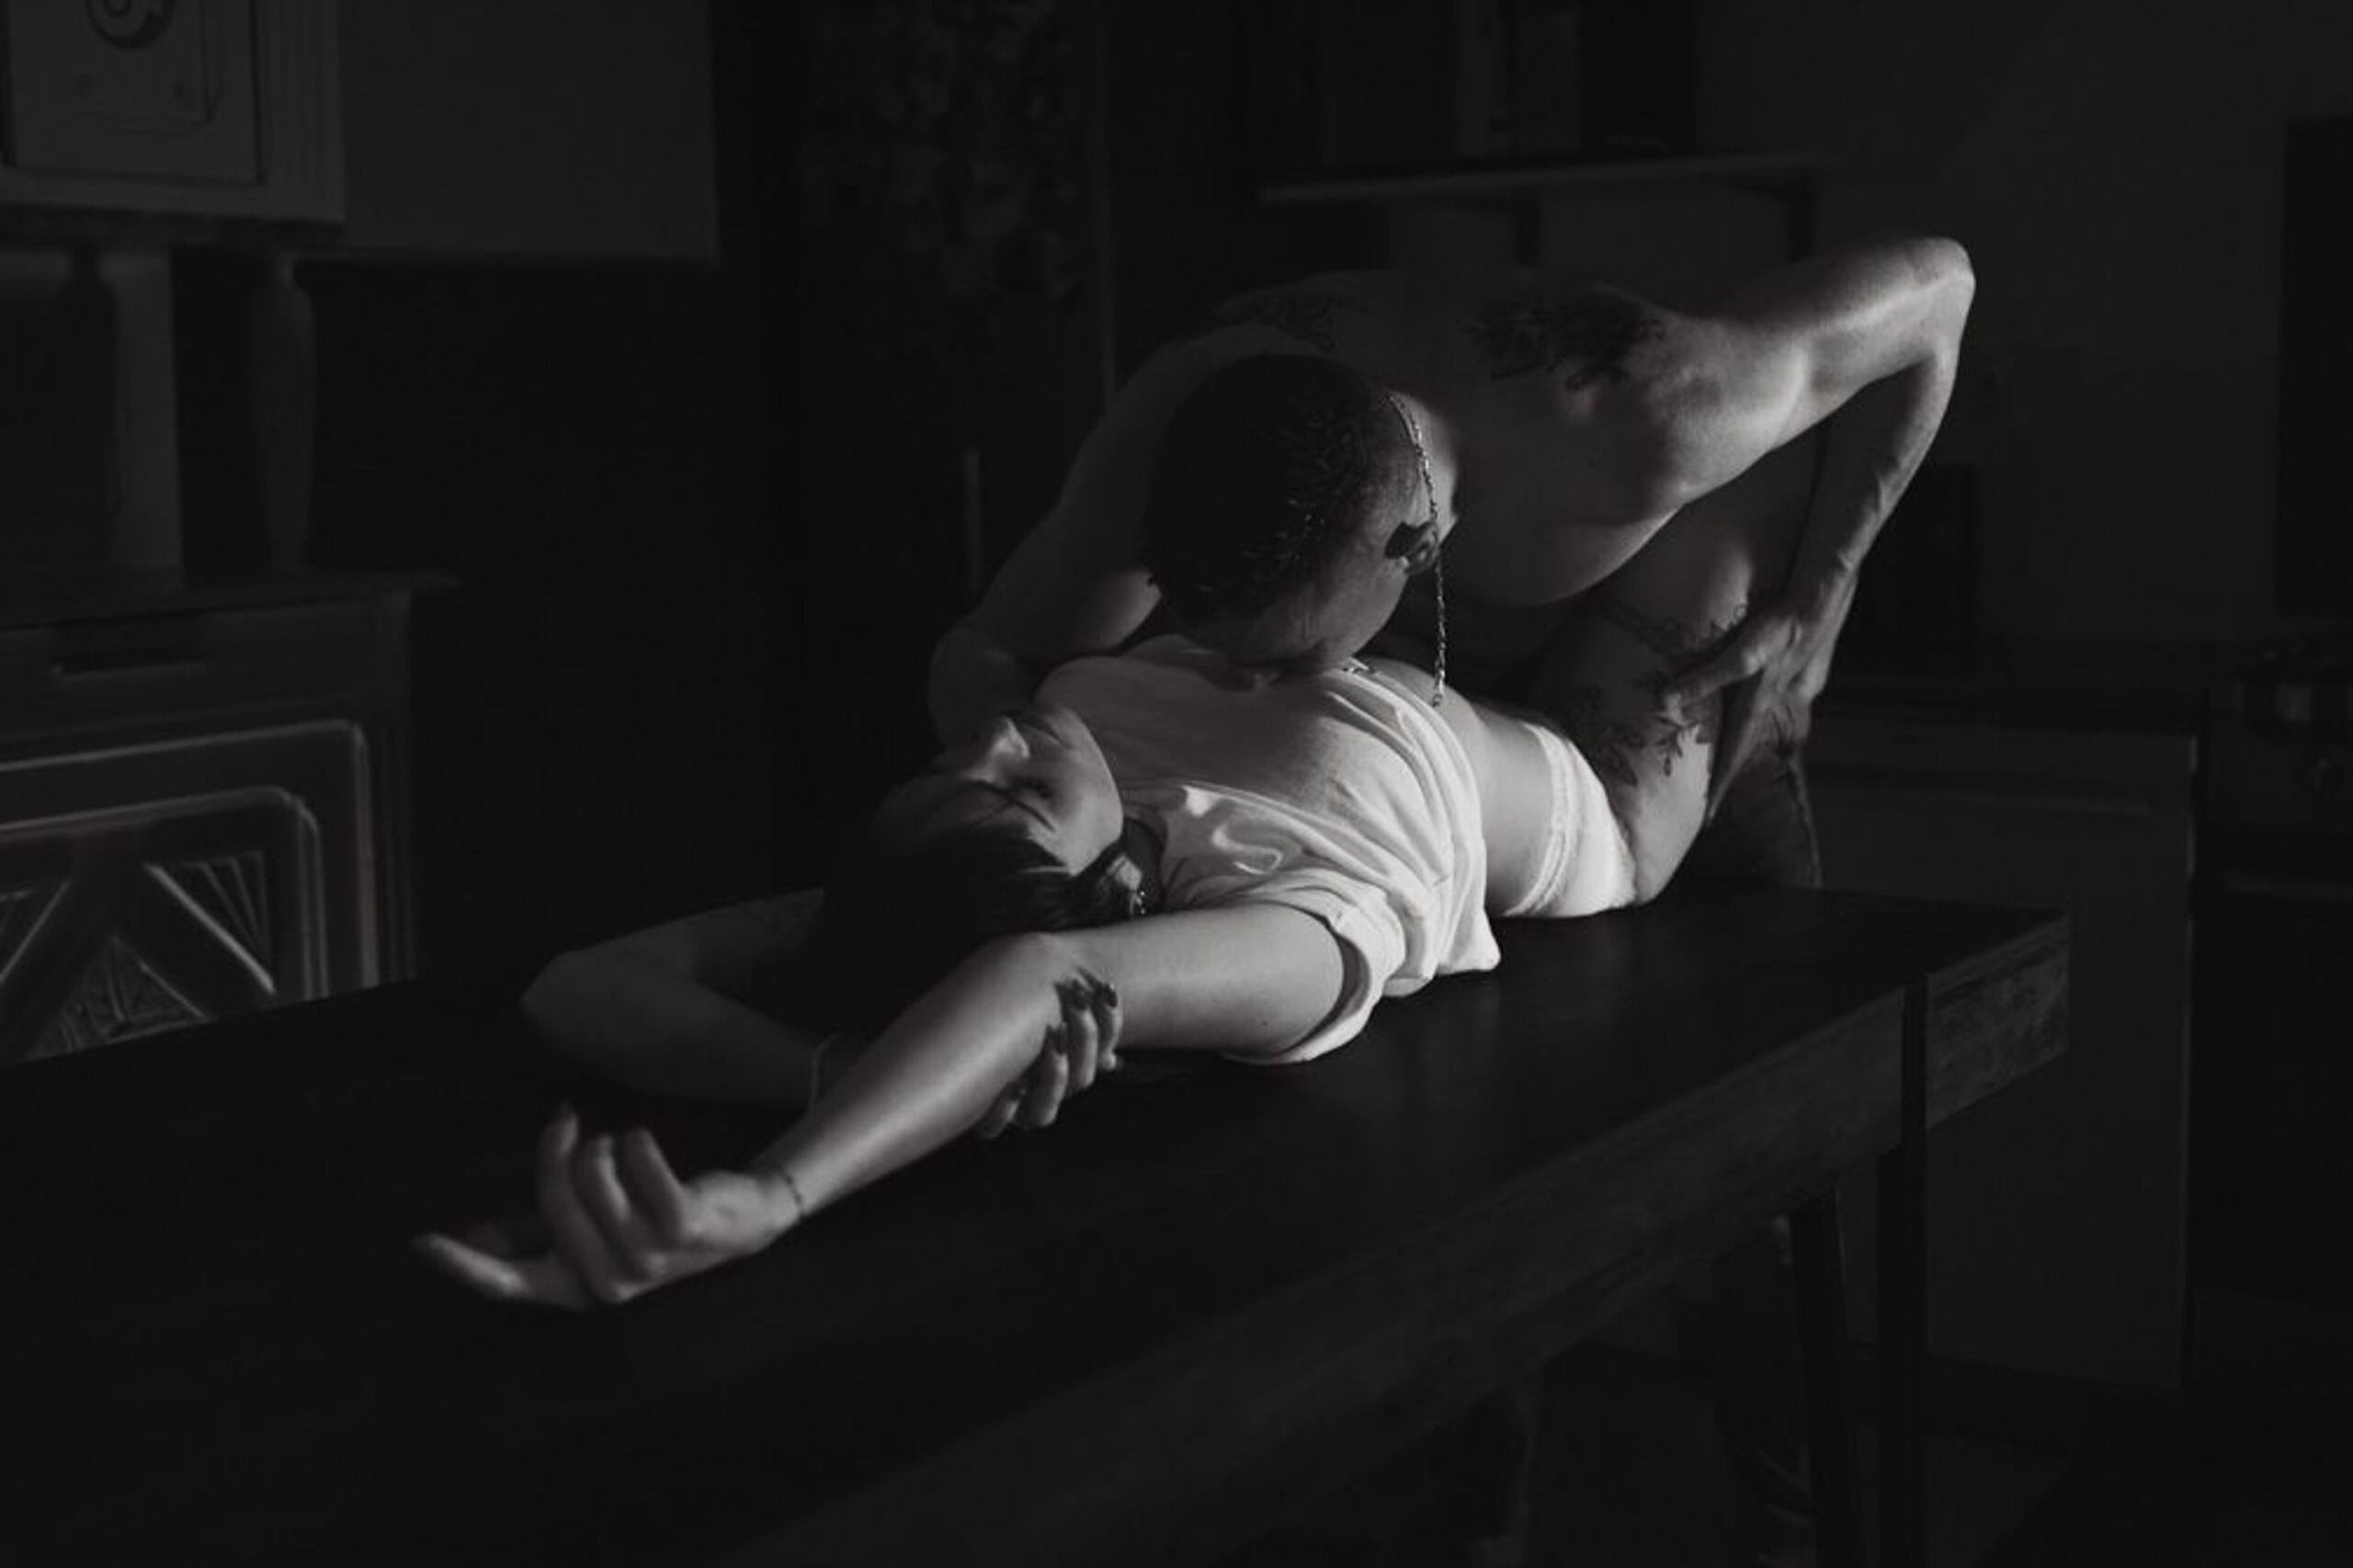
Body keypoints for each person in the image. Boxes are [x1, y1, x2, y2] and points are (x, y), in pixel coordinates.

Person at [415, 381, 1816, 1314]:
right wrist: (774, 1189)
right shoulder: (1280, 910)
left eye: (950, 769)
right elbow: (1034, 972)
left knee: (1615, 416)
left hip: (1416, 630)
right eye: (1013, 791)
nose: (999, 739)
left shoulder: (1012, 793)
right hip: (1600, 783)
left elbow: (580, 983)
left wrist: (830, 1061)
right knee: (1769, 454)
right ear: (1117, 894)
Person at [926, 233, 1975, 875]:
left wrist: (1824, 591)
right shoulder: (1176, 417)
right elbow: (985, 649)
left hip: (1671, 628)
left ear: (1411, 551)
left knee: (1761, 1044)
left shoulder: (1654, 408)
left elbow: (1940, 289)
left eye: (1286, 654)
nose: (1255, 686)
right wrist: (1046, 833)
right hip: (1459, 731)